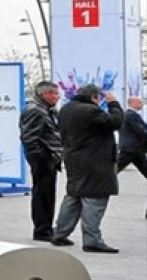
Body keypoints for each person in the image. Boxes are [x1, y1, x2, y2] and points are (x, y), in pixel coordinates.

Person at [51, 84, 124, 253]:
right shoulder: (91, 111)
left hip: (74, 159)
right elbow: (116, 122)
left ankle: (60, 233)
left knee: (73, 197)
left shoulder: (66, 109)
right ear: (94, 97)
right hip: (94, 162)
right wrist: (114, 104)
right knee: (95, 198)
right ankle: (92, 239)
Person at [20, 81, 63, 241]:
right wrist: (40, 156)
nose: (57, 97)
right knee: (42, 194)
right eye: (54, 94)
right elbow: (29, 137)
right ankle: (42, 230)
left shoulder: (47, 109)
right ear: (45, 94)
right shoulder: (35, 110)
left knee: (48, 194)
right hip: (43, 158)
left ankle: (46, 227)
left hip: (50, 156)